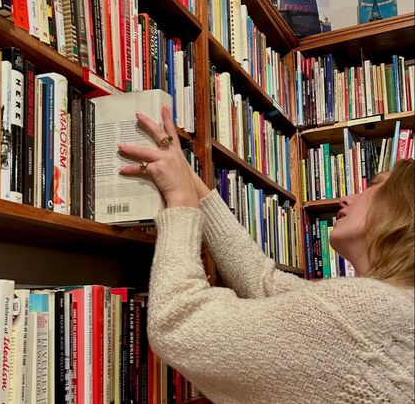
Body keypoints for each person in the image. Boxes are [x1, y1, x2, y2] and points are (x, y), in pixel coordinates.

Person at [118, 106, 415, 404]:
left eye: (375, 186)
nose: (347, 197)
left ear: (401, 209)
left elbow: (179, 323)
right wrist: (188, 178)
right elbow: (262, 282)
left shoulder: (371, 310)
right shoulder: (396, 308)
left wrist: (180, 200)